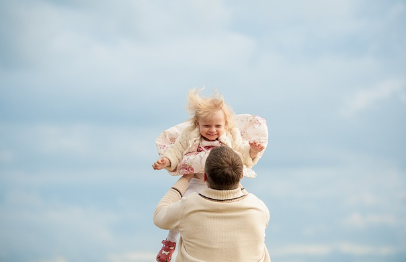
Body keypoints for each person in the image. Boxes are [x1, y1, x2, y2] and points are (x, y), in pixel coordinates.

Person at [152, 88, 266, 262]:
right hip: (197, 181)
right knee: (180, 209)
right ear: (197, 124)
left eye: (217, 126)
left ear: (226, 125)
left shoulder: (230, 136)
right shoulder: (189, 136)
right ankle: (170, 241)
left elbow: (241, 154)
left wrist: (252, 150)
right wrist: (166, 161)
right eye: (207, 126)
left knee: (182, 211)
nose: (212, 130)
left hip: (225, 182)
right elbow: (176, 152)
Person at [153, 145, 271, 262]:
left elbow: (159, 216)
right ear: (241, 176)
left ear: (205, 177)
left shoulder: (189, 206)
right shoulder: (259, 208)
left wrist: (187, 176)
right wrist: (232, 177)